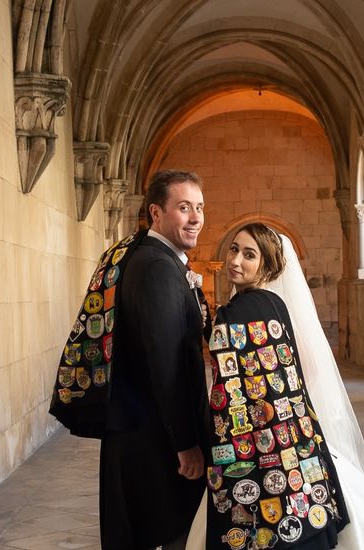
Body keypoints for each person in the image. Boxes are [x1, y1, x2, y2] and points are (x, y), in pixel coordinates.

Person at [187, 223, 364, 550]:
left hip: (257, 445)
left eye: (249, 255)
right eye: (233, 249)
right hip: (292, 434)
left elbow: (223, 371)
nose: (235, 260)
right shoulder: (276, 305)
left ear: (267, 266)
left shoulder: (237, 312)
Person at [100, 170, 210, 549]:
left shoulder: (153, 258)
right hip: (153, 439)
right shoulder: (157, 268)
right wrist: (186, 443)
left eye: (199, 207)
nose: (195, 217)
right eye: (184, 207)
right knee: (174, 536)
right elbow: (166, 363)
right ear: (156, 213)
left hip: (146, 431)